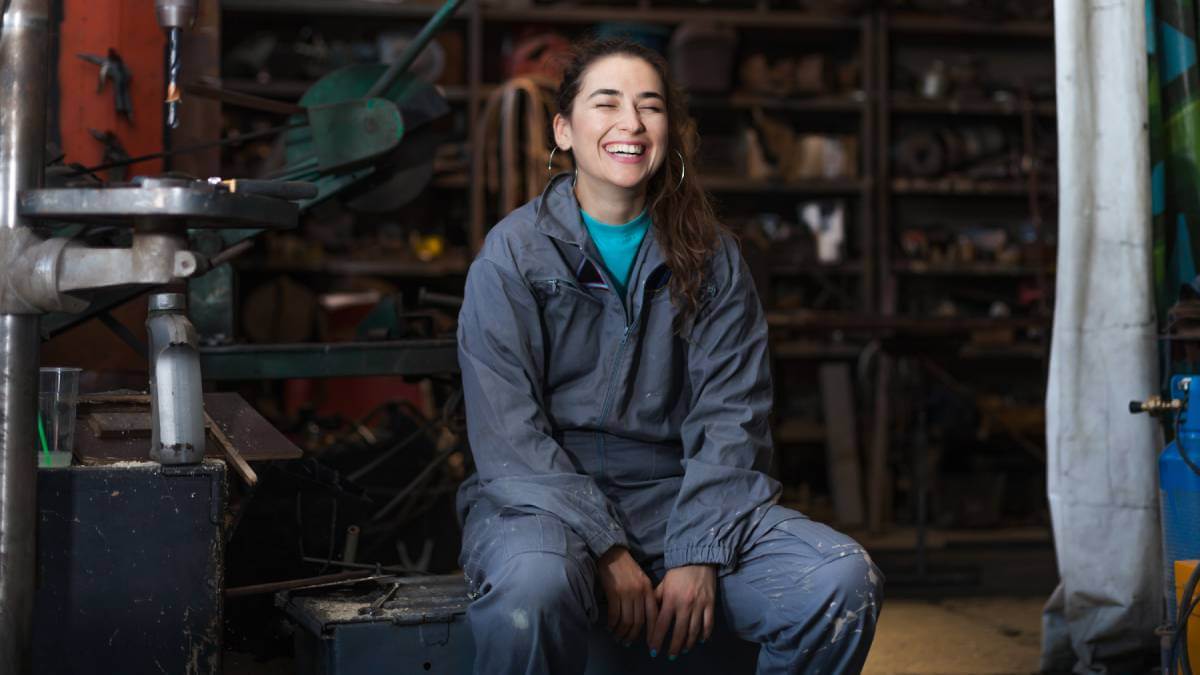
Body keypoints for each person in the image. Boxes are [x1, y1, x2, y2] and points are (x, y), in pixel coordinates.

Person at [455, 38, 881, 675]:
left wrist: (696, 549)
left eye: (649, 106)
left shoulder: (711, 255)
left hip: (683, 492)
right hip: (541, 501)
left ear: (668, 131)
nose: (630, 123)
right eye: (607, 104)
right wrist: (606, 549)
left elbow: (733, 415)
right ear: (564, 130)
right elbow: (507, 430)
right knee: (532, 590)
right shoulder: (513, 254)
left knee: (840, 581)